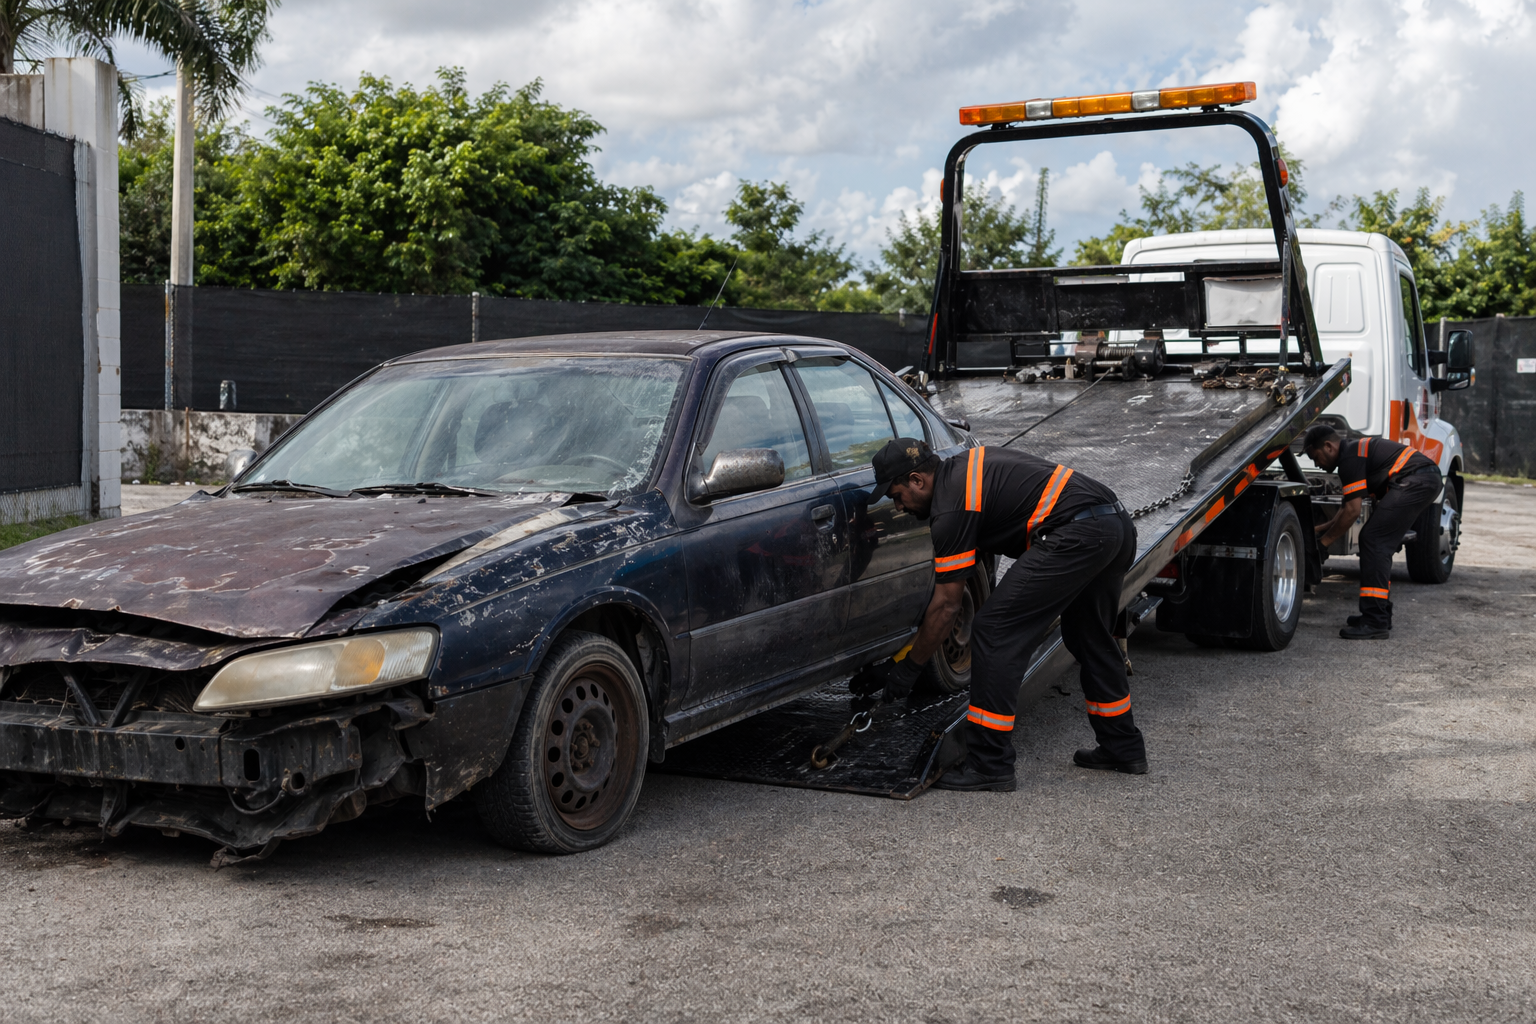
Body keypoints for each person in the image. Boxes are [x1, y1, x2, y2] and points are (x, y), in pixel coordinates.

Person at [857, 437, 1147, 792]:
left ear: (917, 480)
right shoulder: (963, 473)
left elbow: (948, 606)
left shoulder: (950, 508)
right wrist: (902, 659)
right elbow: (952, 584)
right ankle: (1123, 747)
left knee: (994, 630)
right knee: (1090, 637)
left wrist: (908, 671)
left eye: (896, 495)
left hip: (1075, 534)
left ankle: (989, 763)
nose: (898, 506)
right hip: (1114, 525)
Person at [1303, 425, 1442, 639]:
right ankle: (1380, 614)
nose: (1316, 464)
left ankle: (1375, 620)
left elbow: (1352, 511)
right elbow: (1345, 508)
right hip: (1421, 479)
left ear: (1329, 446)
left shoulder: (1348, 459)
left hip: (1415, 480)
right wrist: (1318, 531)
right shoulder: (1352, 453)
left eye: (1316, 457)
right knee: (1377, 544)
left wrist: (1323, 545)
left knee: (1373, 540)